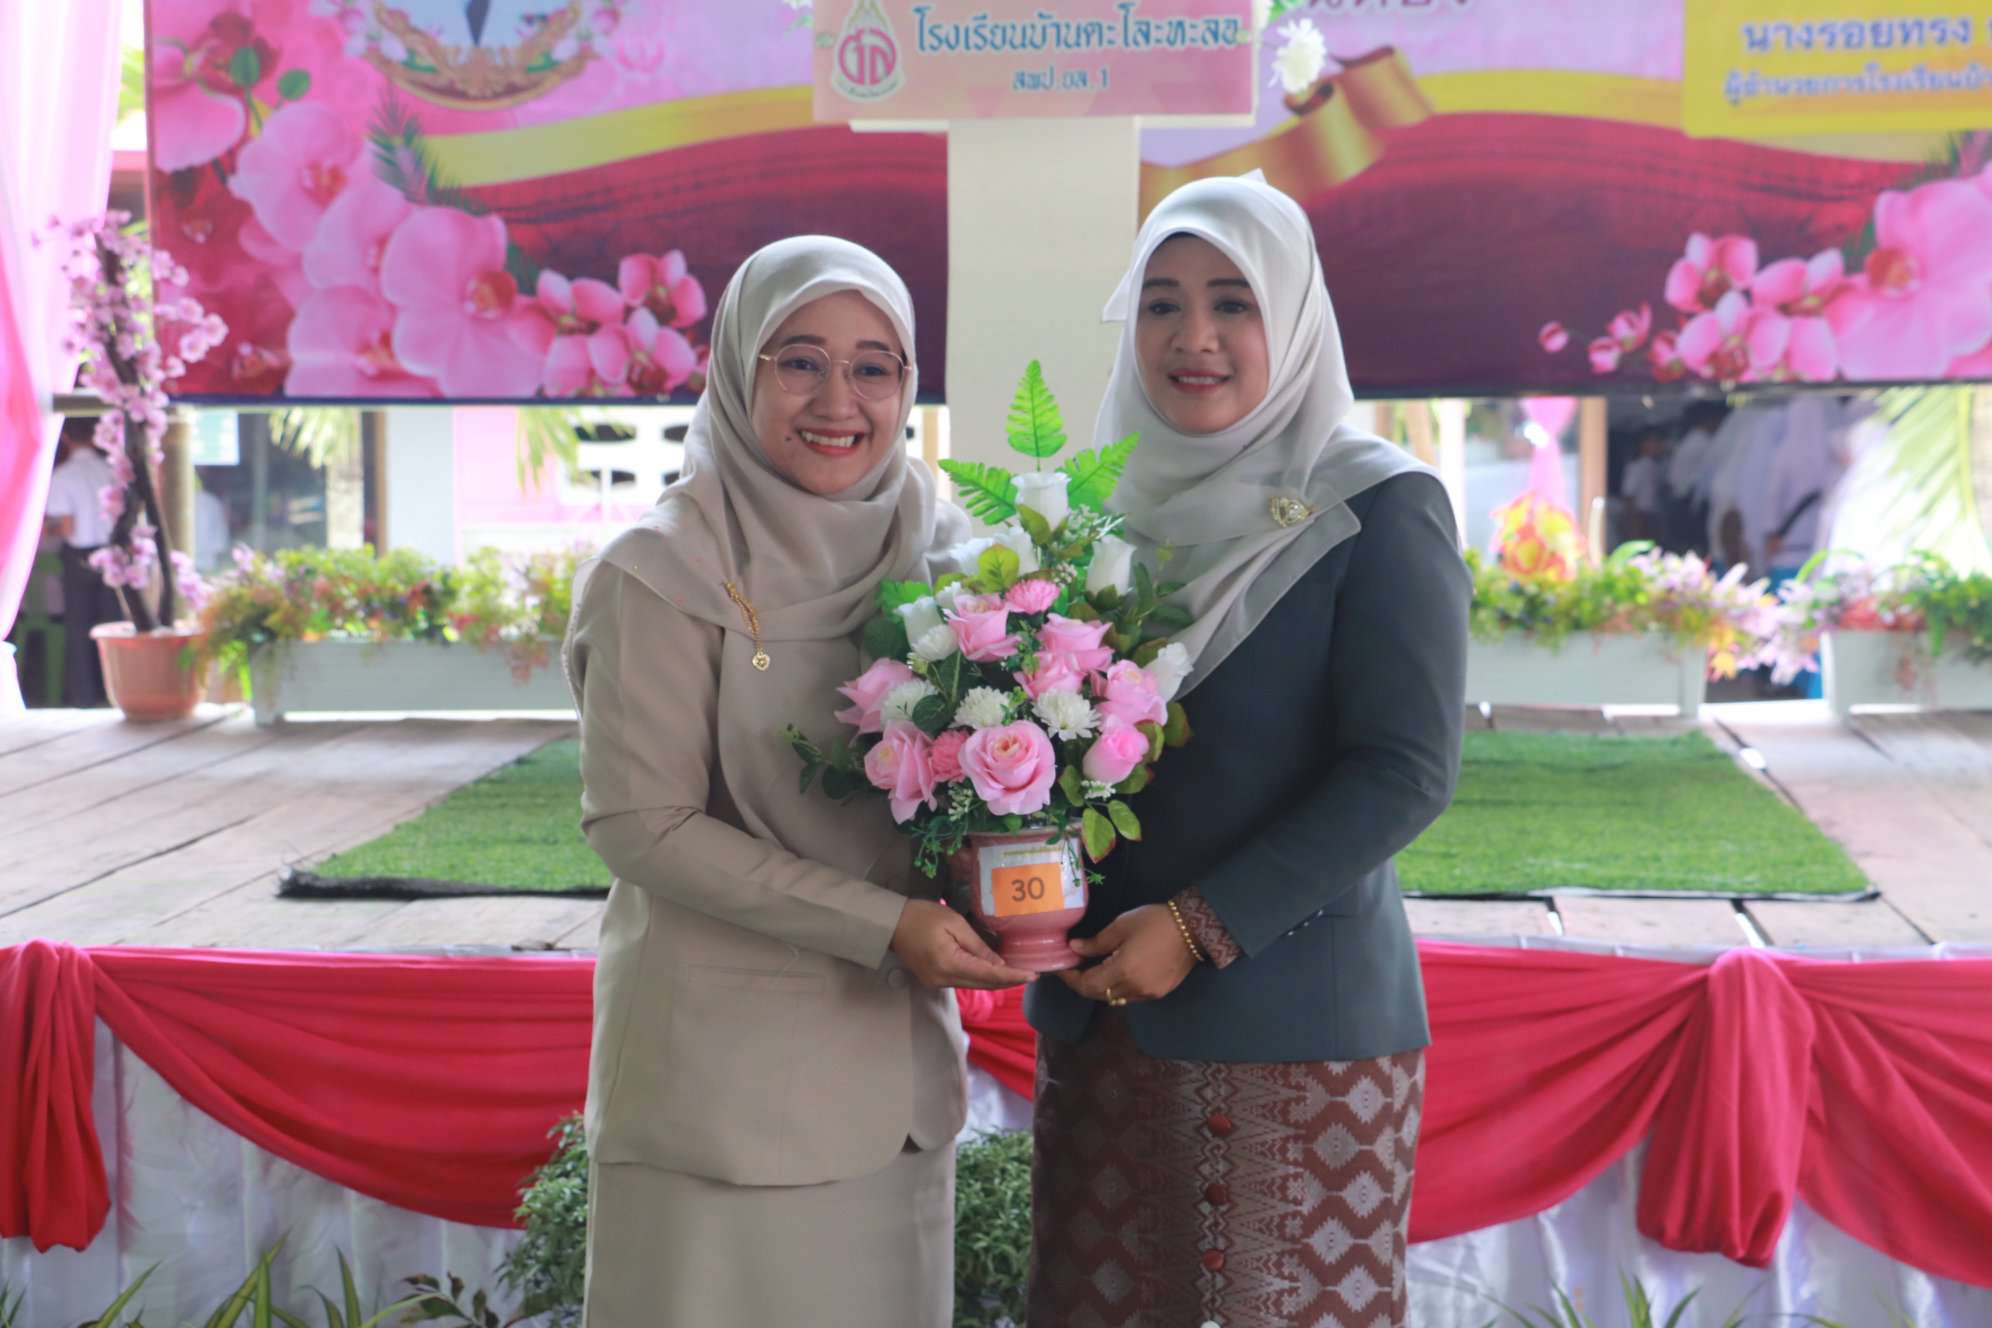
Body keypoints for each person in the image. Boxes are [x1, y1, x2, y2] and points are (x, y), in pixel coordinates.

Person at [561, 236, 1034, 1326]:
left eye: (874, 366)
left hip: (896, 1094)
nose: (838, 400)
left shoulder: (948, 552)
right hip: (719, 1101)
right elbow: (642, 823)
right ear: (739, 369)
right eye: (800, 361)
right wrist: (885, 925)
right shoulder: (659, 572)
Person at [1025, 176, 1470, 1328]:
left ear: (1294, 316)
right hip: (1101, 1018)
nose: (1196, 336)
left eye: (1234, 301)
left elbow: (1405, 769)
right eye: (1162, 302)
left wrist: (1196, 925)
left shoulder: (1376, 505)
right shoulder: (1094, 511)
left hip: (1294, 1034)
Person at [40, 418, 123, 707]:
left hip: (79, 557)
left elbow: (67, 528)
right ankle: (115, 692)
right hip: (114, 555)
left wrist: (44, 529)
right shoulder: (112, 471)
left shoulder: (63, 475)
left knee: (79, 627)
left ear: (65, 438)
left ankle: (84, 697)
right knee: (113, 625)